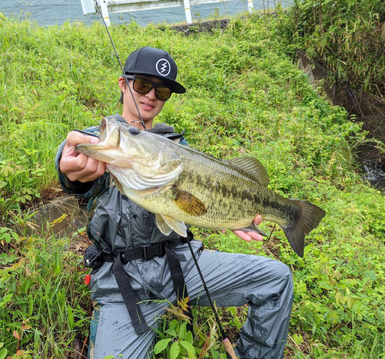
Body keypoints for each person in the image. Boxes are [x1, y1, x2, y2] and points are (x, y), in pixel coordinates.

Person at [56, 46, 293, 359]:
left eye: (162, 90)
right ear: (122, 84)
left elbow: (199, 203)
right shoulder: (106, 142)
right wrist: (69, 166)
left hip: (181, 265)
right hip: (122, 283)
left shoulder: (177, 150)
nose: (151, 96)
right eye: (142, 84)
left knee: (276, 279)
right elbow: (73, 161)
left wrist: (230, 214)